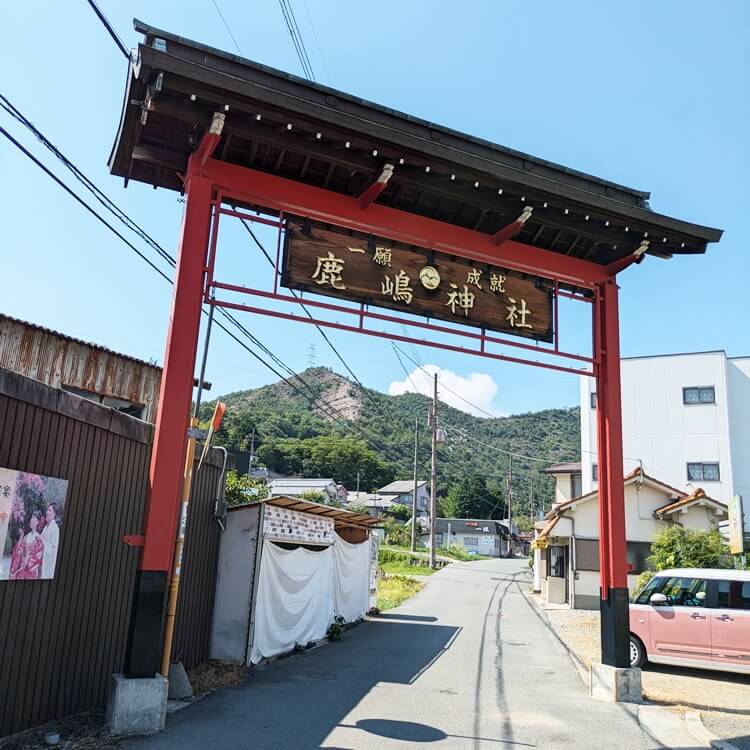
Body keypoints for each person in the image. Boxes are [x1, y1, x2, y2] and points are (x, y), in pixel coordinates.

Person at [10, 511, 44, 580]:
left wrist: (27, 561)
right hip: (22, 569)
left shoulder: (38, 539)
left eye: (33, 518)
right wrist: (21, 536)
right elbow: (18, 551)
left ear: (37, 522)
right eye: (31, 518)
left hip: (31, 571)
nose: (31, 520)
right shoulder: (26, 536)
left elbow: (38, 558)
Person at [41, 502, 59, 578]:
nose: (47, 512)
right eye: (47, 510)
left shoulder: (55, 528)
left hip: (50, 561)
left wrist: (42, 541)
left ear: (54, 514)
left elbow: (54, 547)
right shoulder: (45, 527)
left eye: (49, 510)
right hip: (44, 559)